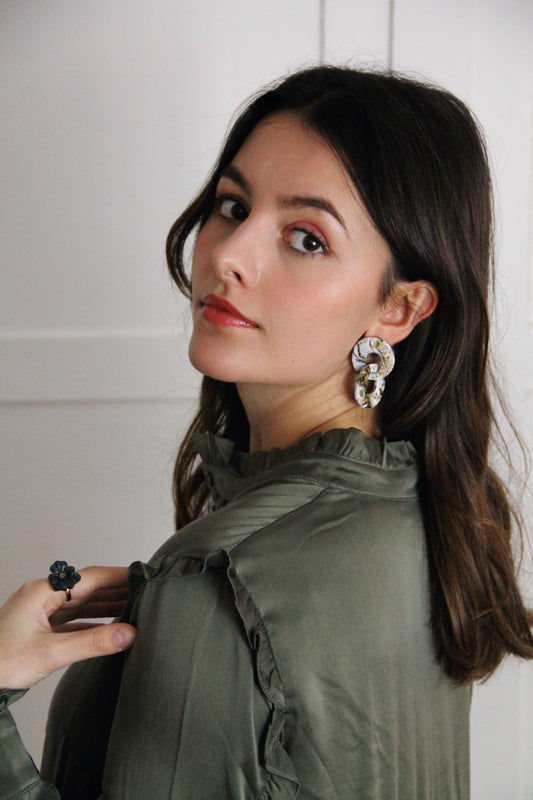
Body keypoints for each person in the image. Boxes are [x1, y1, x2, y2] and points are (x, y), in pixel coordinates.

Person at [1, 65, 532, 799]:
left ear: (400, 309)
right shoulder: (430, 517)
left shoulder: (219, 587)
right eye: (232, 205)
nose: (228, 255)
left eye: (306, 239)